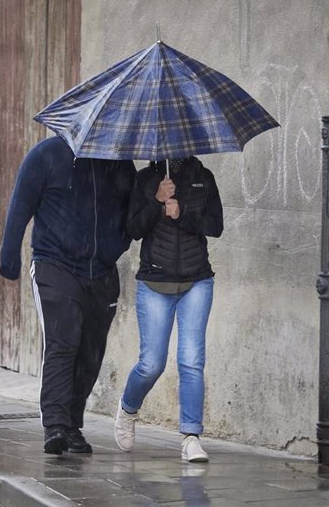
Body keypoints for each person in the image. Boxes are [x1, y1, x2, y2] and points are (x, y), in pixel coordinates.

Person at [0, 135, 136, 455]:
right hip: (54, 264)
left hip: (102, 271)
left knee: (90, 350)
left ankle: (73, 424)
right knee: (63, 341)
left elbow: (132, 216)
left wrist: (116, 245)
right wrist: (9, 260)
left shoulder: (119, 163)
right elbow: (20, 206)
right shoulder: (46, 156)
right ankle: (56, 425)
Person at [114, 156, 223, 462]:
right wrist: (156, 199)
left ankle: (190, 437)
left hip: (197, 281)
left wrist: (182, 211)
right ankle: (127, 409)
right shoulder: (146, 179)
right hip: (154, 281)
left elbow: (216, 226)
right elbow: (133, 228)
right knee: (152, 364)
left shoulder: (204, 177)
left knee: (191, 361)